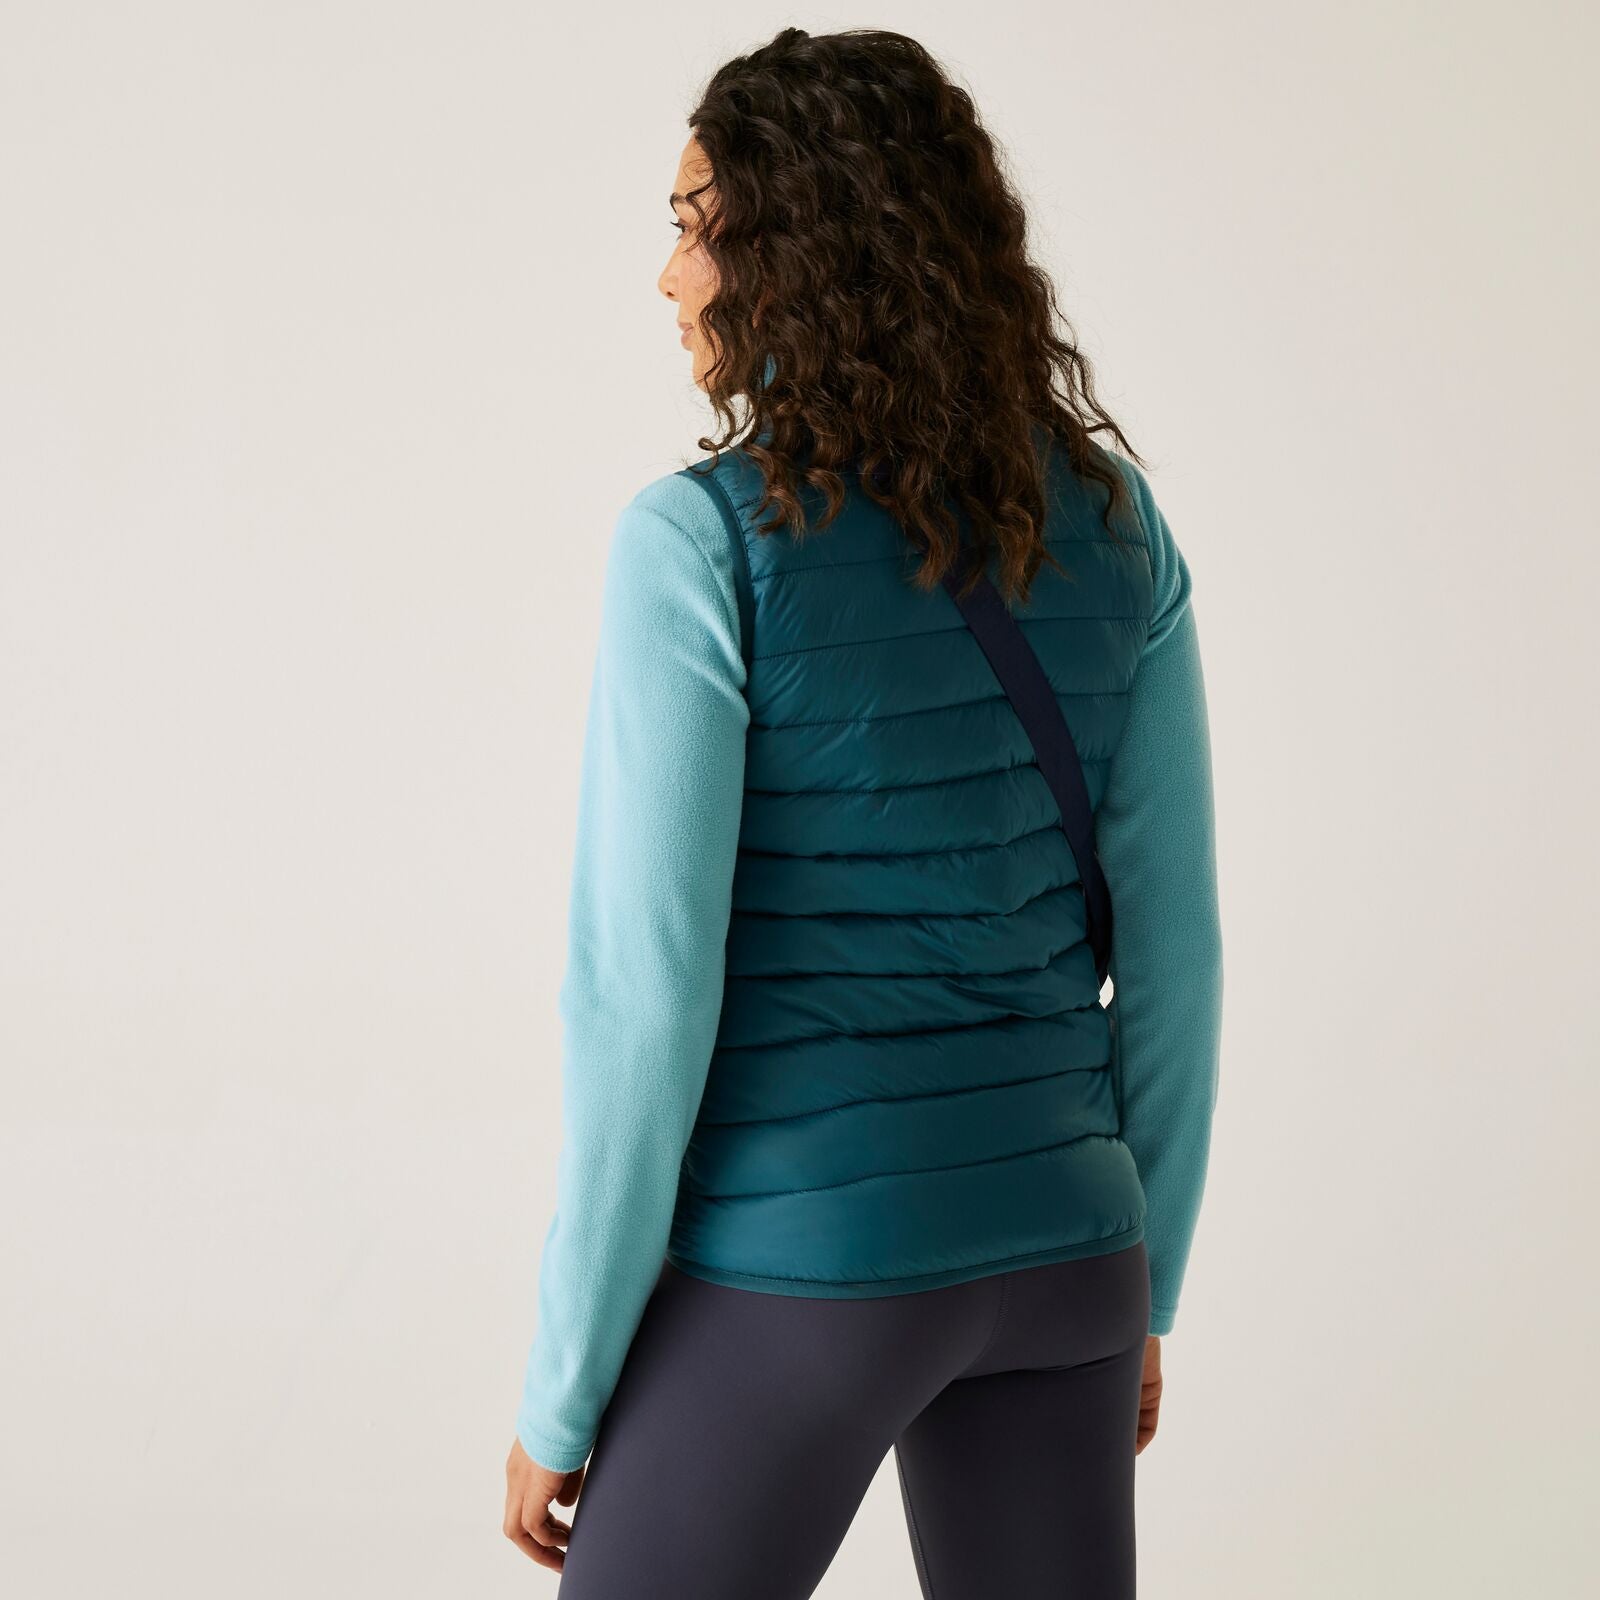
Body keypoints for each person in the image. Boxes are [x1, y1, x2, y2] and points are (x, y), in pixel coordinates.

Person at [502, 26, 1222, 1598]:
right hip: (1070, 1257)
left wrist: (566, 1389)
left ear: (791, 252)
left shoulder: (700, 546)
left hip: (807, 1262)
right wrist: (1144, 1281)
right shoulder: (1117, 527)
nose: (670, 276)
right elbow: (1179, 960)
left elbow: (641, 1000)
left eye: (695, 227)